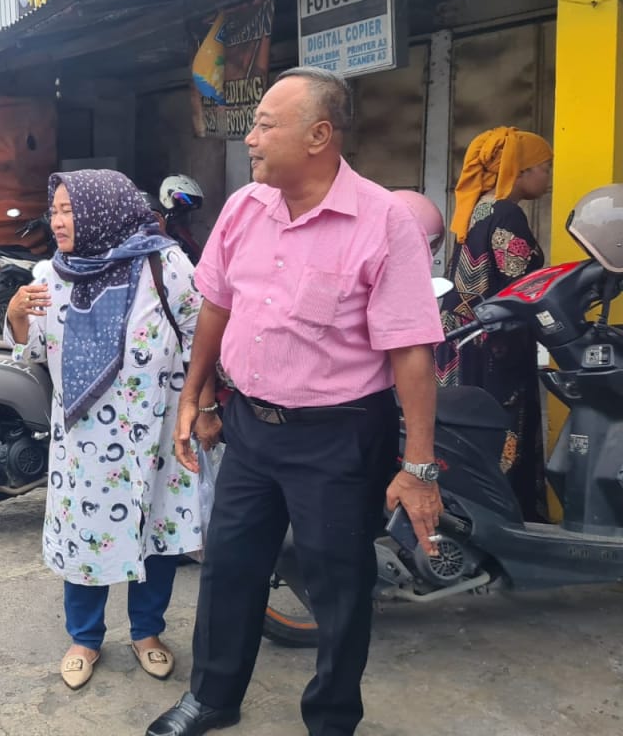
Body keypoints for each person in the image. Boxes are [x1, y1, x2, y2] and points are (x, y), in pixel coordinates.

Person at [146, 67, 445, 736]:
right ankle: (214, 698)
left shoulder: (382, 223)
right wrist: (197, 396)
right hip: (252, 426)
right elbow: (217, 304)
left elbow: (411, 351)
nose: (250, 138)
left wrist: (419, 467)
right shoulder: (246, 207)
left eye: (264, 125)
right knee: (230, 565)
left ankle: (332, 719)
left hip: (339, 437)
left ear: (319, 135)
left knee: (338, 586)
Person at [5, 169, 204, 691]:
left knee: (156, 529)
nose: (60, 221)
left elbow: (199, 333)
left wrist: (200, 404)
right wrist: (16, 315)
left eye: (71, 210)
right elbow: (31, 351)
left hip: (156, 431)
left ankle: (147, 633)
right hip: (84, 439)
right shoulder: (49, 274)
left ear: (103, 208)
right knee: (84, 533)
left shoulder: (165, 263)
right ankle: (85, 638)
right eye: (56, 211)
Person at [435, 126, 553, 521]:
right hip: (494, 349)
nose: (549, 176)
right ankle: (509, 521)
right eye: (545, 167)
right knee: (503, 434)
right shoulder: (506, 213)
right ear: (520, 171)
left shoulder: (478, 208)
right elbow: (523, 285)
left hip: (465, 343)